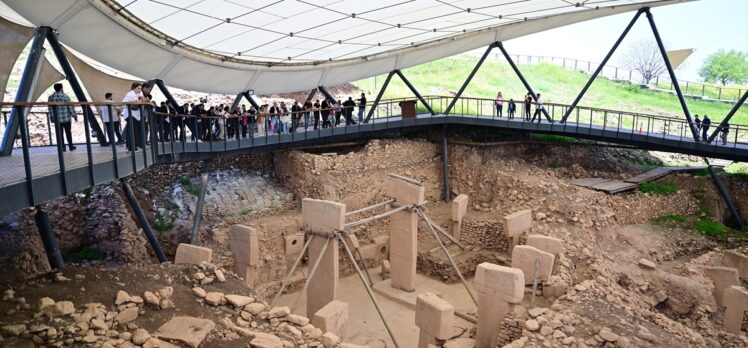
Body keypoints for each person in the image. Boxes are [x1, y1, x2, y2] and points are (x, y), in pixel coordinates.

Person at [48, 83, 77, 151]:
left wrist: (51, 117)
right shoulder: (65, 96)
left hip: (57, 119)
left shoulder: (51, 97)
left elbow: (50, 109)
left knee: (59, 134)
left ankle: (62, 148)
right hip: (66, 118)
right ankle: (71, 146)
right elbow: (70, 107)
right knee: (68, 133)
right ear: (61, 88)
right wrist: (74, 115)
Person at [121, 82, 145, 151]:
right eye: (138, 88)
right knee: (131, 131)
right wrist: (133, 102)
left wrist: (140, 99)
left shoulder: (139, 94)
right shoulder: (129, 94)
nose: (140, 90)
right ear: (134, 88)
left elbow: (143, 100)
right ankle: (130, 146)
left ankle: (134, 145)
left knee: (135, 131)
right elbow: (124, 103)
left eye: (140, 88)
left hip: (136, 114)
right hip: (130, 114)